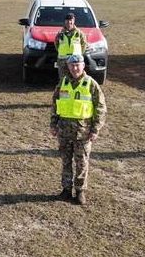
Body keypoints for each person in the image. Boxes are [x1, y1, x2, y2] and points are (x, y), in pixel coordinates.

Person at [50, 54, 106, 205]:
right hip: (64, 131)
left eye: (78, 65)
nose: (75, 68)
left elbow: (100, 108)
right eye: (72, 65)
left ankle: (80, 191)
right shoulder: (63, 83)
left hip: (83, 132)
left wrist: (95, 129)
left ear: (83, 66)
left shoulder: (91, 84)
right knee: (66, 161)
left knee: (81, 162)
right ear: (68, 67)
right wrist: (53, 124)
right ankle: (66, 190)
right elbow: (55, 104)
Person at [54, 13, 88, 79]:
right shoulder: (60, 33)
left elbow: (84, 45)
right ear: (65, 21)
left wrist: (79, 54)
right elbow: (56, 44)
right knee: (63, 80)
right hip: (63, 60)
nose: (69, 22)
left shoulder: (79, 33)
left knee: (76, 78)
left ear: (74, 20)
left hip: (75, 61)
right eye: (67, 20)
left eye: (71, 20)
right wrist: (62, 51)